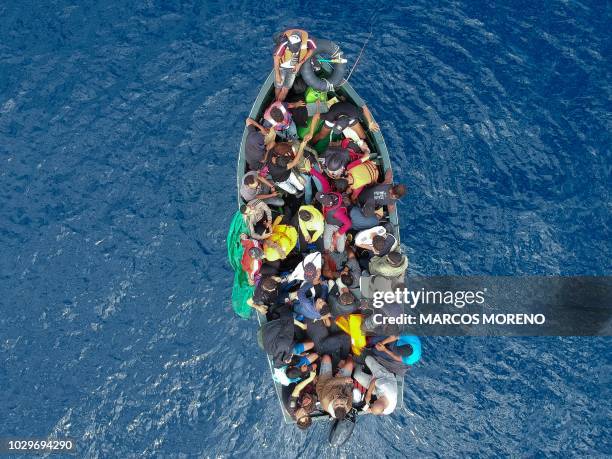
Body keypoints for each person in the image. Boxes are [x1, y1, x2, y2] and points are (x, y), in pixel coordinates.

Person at [273, 29, 317, 101]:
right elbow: (276, 58)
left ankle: (278, 103)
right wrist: (277, 75)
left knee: (285, 89)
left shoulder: (308, 40)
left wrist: (300, 63)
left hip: (294, 67)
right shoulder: (284, 43)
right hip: (282, 66)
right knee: (278, 86)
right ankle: (276, 101)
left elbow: (312, 50)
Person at [311, 101, 379, 146]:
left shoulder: (354, 113)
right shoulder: (330, 116)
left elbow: (364, 108)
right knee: (321, 136)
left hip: (348, 116)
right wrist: (311, 133)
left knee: (363, 137)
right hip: (335, 114)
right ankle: (311, 144)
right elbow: (316, 116)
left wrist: (370, 123)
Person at [316, 355, 354, 420]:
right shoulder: (348, 406)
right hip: (339, 386)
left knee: (326, 357)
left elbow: (328, 383)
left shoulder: (325, 399)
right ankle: (349, 355)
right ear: (345, 406)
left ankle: (320, 359)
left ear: (333, 407)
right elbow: (349, 391)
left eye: (336, 404)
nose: (339, 401)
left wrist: (341, 380)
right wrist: (347, 382)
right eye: (342, 404)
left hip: (324, 384)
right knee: (350, 364)